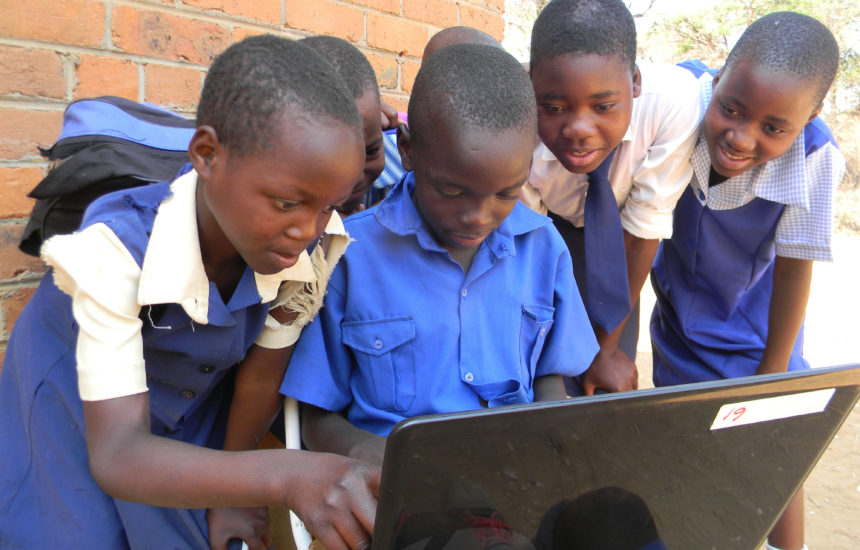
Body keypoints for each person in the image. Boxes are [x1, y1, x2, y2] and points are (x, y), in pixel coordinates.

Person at [0, 35, 380, 550]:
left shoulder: (308, 246)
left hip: (184, 413)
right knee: (74, 531)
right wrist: (287, 475)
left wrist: (232, 492)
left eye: (327, 206)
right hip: (76, 405)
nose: (308, 230)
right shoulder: (115, 249)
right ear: (207, 154)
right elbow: (117, 453)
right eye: (287, 203)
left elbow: (261, 374)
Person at [281, 43, 599, 465]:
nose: (478, 217)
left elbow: (549, 377)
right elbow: (316, 416)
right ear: (408, 150)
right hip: (396, 480)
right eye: (452, 190)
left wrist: (548, 431)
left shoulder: (543, 246)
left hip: (515, 468)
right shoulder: (346, 256)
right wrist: (390, 461)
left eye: (506, 193)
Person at [649, 12, 843, 550]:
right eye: (730, 109)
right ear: (718, 78)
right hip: (676, 321)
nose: (739, 137)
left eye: (773, 128)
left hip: (755, 335)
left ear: (810, 116)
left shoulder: (816, 155)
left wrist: (771, 376)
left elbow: (795, 264)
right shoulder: (680, 101)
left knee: (770, 449)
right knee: (687, 439)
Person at [521, 0, 702, 395]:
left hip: (622, 242)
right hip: (548, 228)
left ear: (634, 83)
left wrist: (603, 351)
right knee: (540, 367)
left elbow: (642, 230)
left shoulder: (673, 103)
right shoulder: (515, 113)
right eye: (553, 107)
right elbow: (531, 242)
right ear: (530, 83)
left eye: (603, 106)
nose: (579, 129)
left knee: (607, 376)